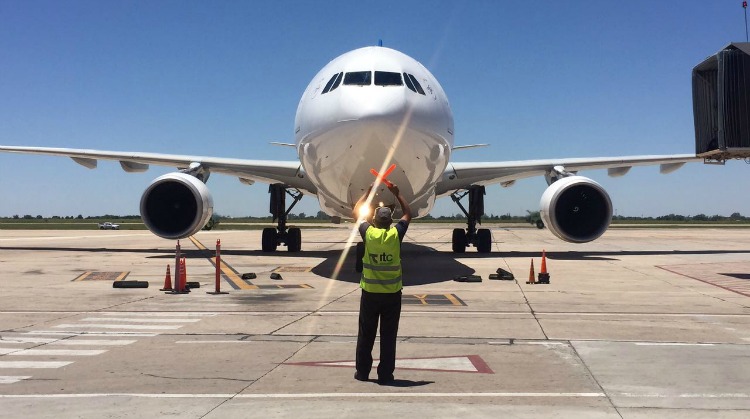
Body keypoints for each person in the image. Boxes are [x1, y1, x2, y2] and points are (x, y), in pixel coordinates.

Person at [351, 182, 412, 385]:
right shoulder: (395, 235)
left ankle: (362, 372)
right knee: (388, 338)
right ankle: (385, 375)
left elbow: (356, 213)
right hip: (392, 296)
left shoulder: (369, 234)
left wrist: (367, 193)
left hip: (370, 294)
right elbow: (407, 215)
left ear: (374, 220)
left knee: (365, 335)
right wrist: (398, 193)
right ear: (390, 221)